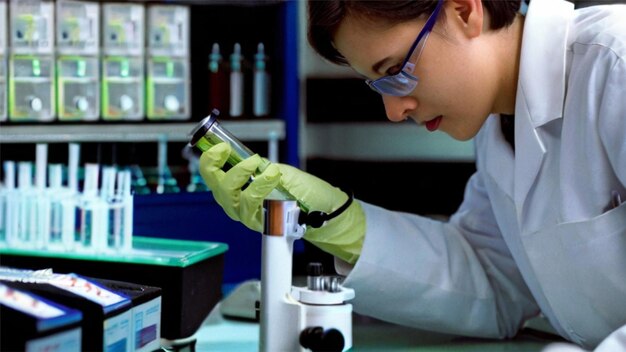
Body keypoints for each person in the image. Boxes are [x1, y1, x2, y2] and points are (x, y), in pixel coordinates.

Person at [199, 0, 626, 350]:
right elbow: (494, 281)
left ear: (463, 11)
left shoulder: (615, 62)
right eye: (378, 85)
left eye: (395, 72)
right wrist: (336, 218)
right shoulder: (499, 125)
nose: (394, 111)